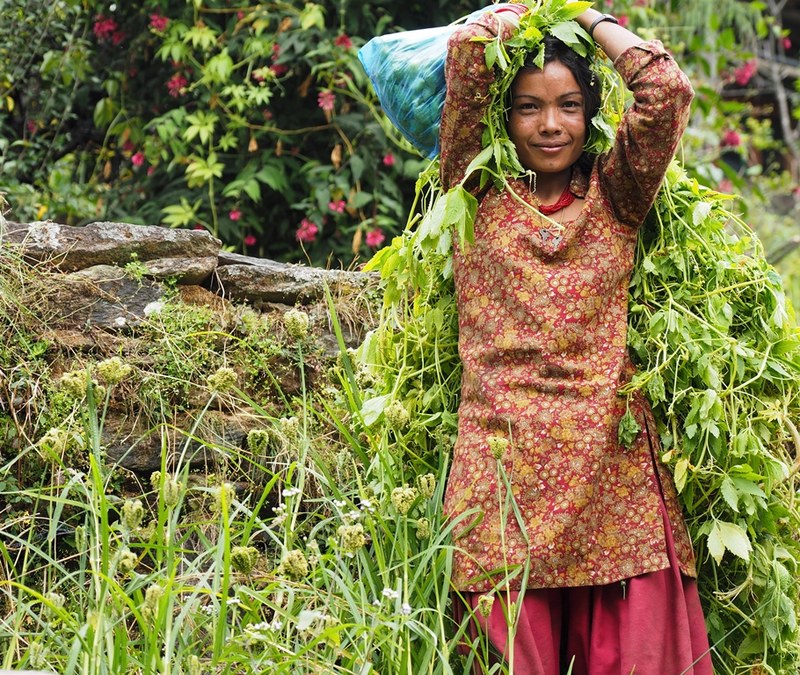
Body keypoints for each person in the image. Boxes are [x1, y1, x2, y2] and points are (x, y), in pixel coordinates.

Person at [438, 3, 714, 673]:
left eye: (568, 104)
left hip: (607, 471)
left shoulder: (616, 194)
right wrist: (519, 17)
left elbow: (665, 91)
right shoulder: (473, 188)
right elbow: (468, 60)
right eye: (529, 107)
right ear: (504, 118)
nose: (551, 124)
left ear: (591, 113)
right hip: (499, 471)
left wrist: (586, 17)